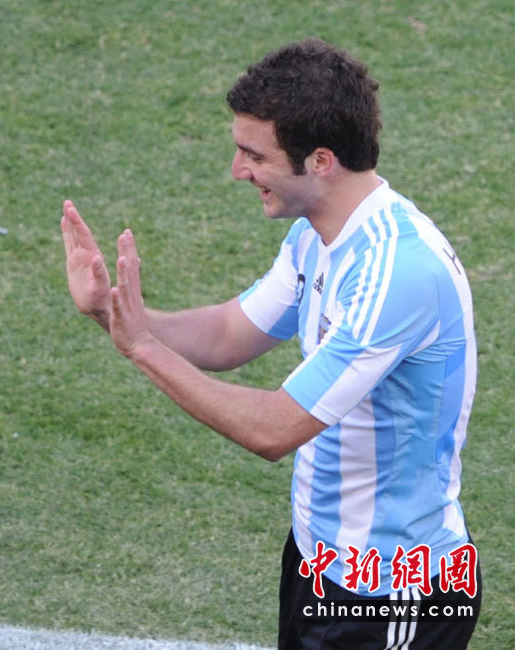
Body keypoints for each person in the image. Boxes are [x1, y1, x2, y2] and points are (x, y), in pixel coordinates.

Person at [61, 39, 480, 649]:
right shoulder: (317, 236)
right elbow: (229, 333)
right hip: (320, 561)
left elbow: (275, 429)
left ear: (320, 160)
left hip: (392, 594)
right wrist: (115, 313)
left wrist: (142, 349)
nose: (238, 170)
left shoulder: (398, 272)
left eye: (253, 154)